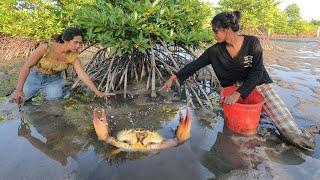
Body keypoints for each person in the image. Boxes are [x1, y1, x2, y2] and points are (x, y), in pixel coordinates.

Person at [161, 11, 315, 150]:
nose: (214, 35)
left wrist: (239, 93)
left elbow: (257, 71)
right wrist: (175, 77)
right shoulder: (215, 51)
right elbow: (195, 64)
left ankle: (304, 134)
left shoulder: (252, 43)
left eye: (215, 31)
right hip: (234, 89)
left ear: (227, 29)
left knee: (292, 135)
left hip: (260, 85)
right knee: (239, 132)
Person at [11, 27, 114, 104]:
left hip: (53, 79)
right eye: (76, 42)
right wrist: (18, 90)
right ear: (66, 40)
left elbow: (82, 75)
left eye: (80, 43)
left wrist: (97, 91)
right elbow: (27, 66)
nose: (79, 46)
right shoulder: (45, 48)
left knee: (55, 102)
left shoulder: (73, 57)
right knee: (20, 100)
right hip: (35, 76)